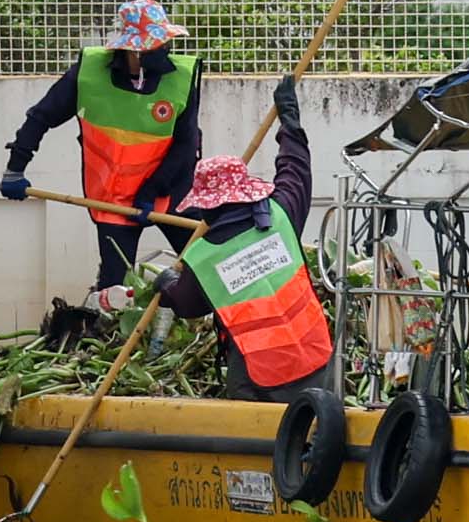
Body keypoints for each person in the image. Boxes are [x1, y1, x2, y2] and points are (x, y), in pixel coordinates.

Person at [136, 75, 337, 405]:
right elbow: (295, 166)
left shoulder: (202, 257)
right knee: (316, 437)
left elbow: (188, 305)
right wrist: (290, 120)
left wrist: (167, 285)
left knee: (259, 450)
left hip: (258, 373)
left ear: (206, 206)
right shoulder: (280, 214)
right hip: (314, 354)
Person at [0, 0, 203, 289]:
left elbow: (186, 146)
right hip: (113, 199)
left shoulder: (180, 79)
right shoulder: (89, 74)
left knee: (204, 270)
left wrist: (151, 189)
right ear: (134, 49)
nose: (165, 51)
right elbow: (41, 117)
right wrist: (15, 168)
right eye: (158, 44)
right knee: (116, 289)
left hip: (171, 192)